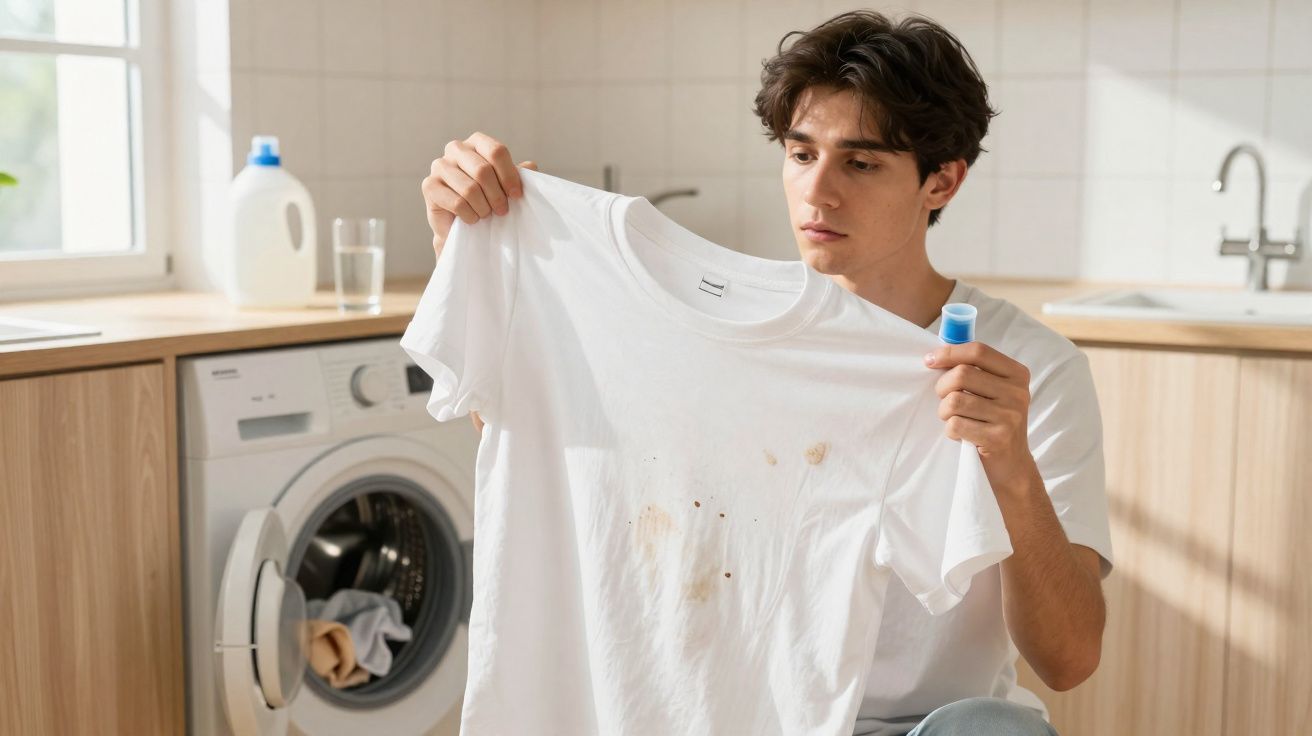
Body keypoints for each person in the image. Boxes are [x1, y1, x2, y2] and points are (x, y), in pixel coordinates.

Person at [417, 10, 1111, 736]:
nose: (819, 192)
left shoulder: (1021, 371)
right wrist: (465, 250)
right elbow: (541, 439)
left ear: (942, 182)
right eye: (801, 154)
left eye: (861, 162)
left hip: (926, 726)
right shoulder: (725, 341)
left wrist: (1010, 467)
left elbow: (1068, 660)